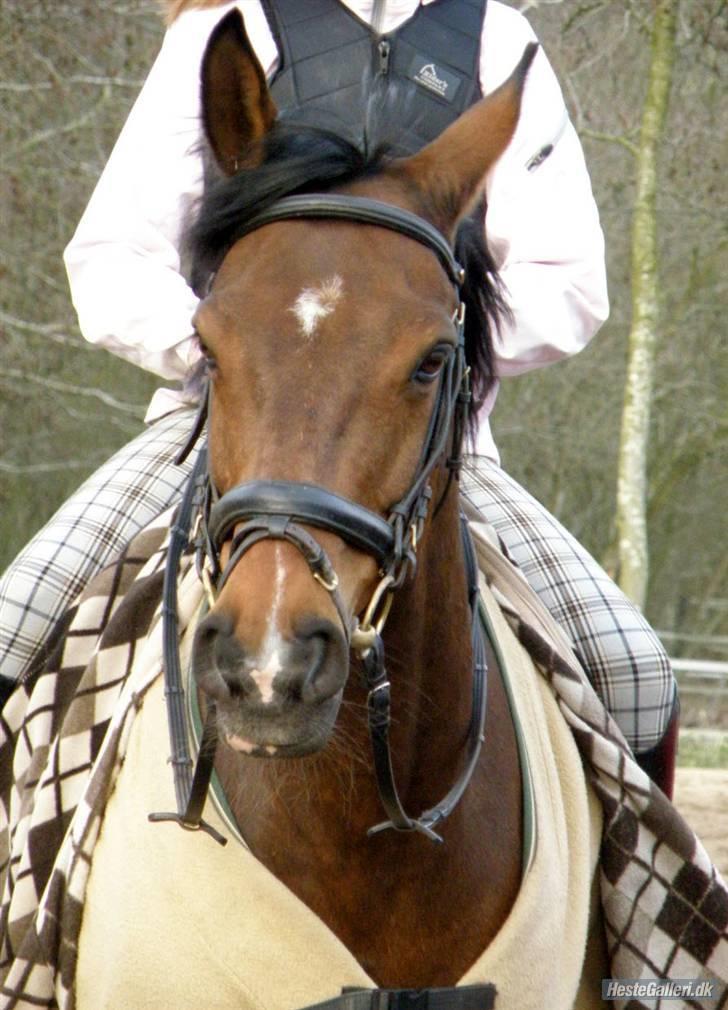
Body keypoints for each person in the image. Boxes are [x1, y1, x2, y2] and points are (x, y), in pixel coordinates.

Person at [0, 0, 677, 786]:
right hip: (217, 426)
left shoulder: (497, 38)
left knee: (634, 672)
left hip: (425, 445)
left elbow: (569, 281)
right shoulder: (231, 29)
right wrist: (243, 348)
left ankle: (635, 908)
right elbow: (111, 256)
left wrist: (426, 356)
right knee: (14, 628)